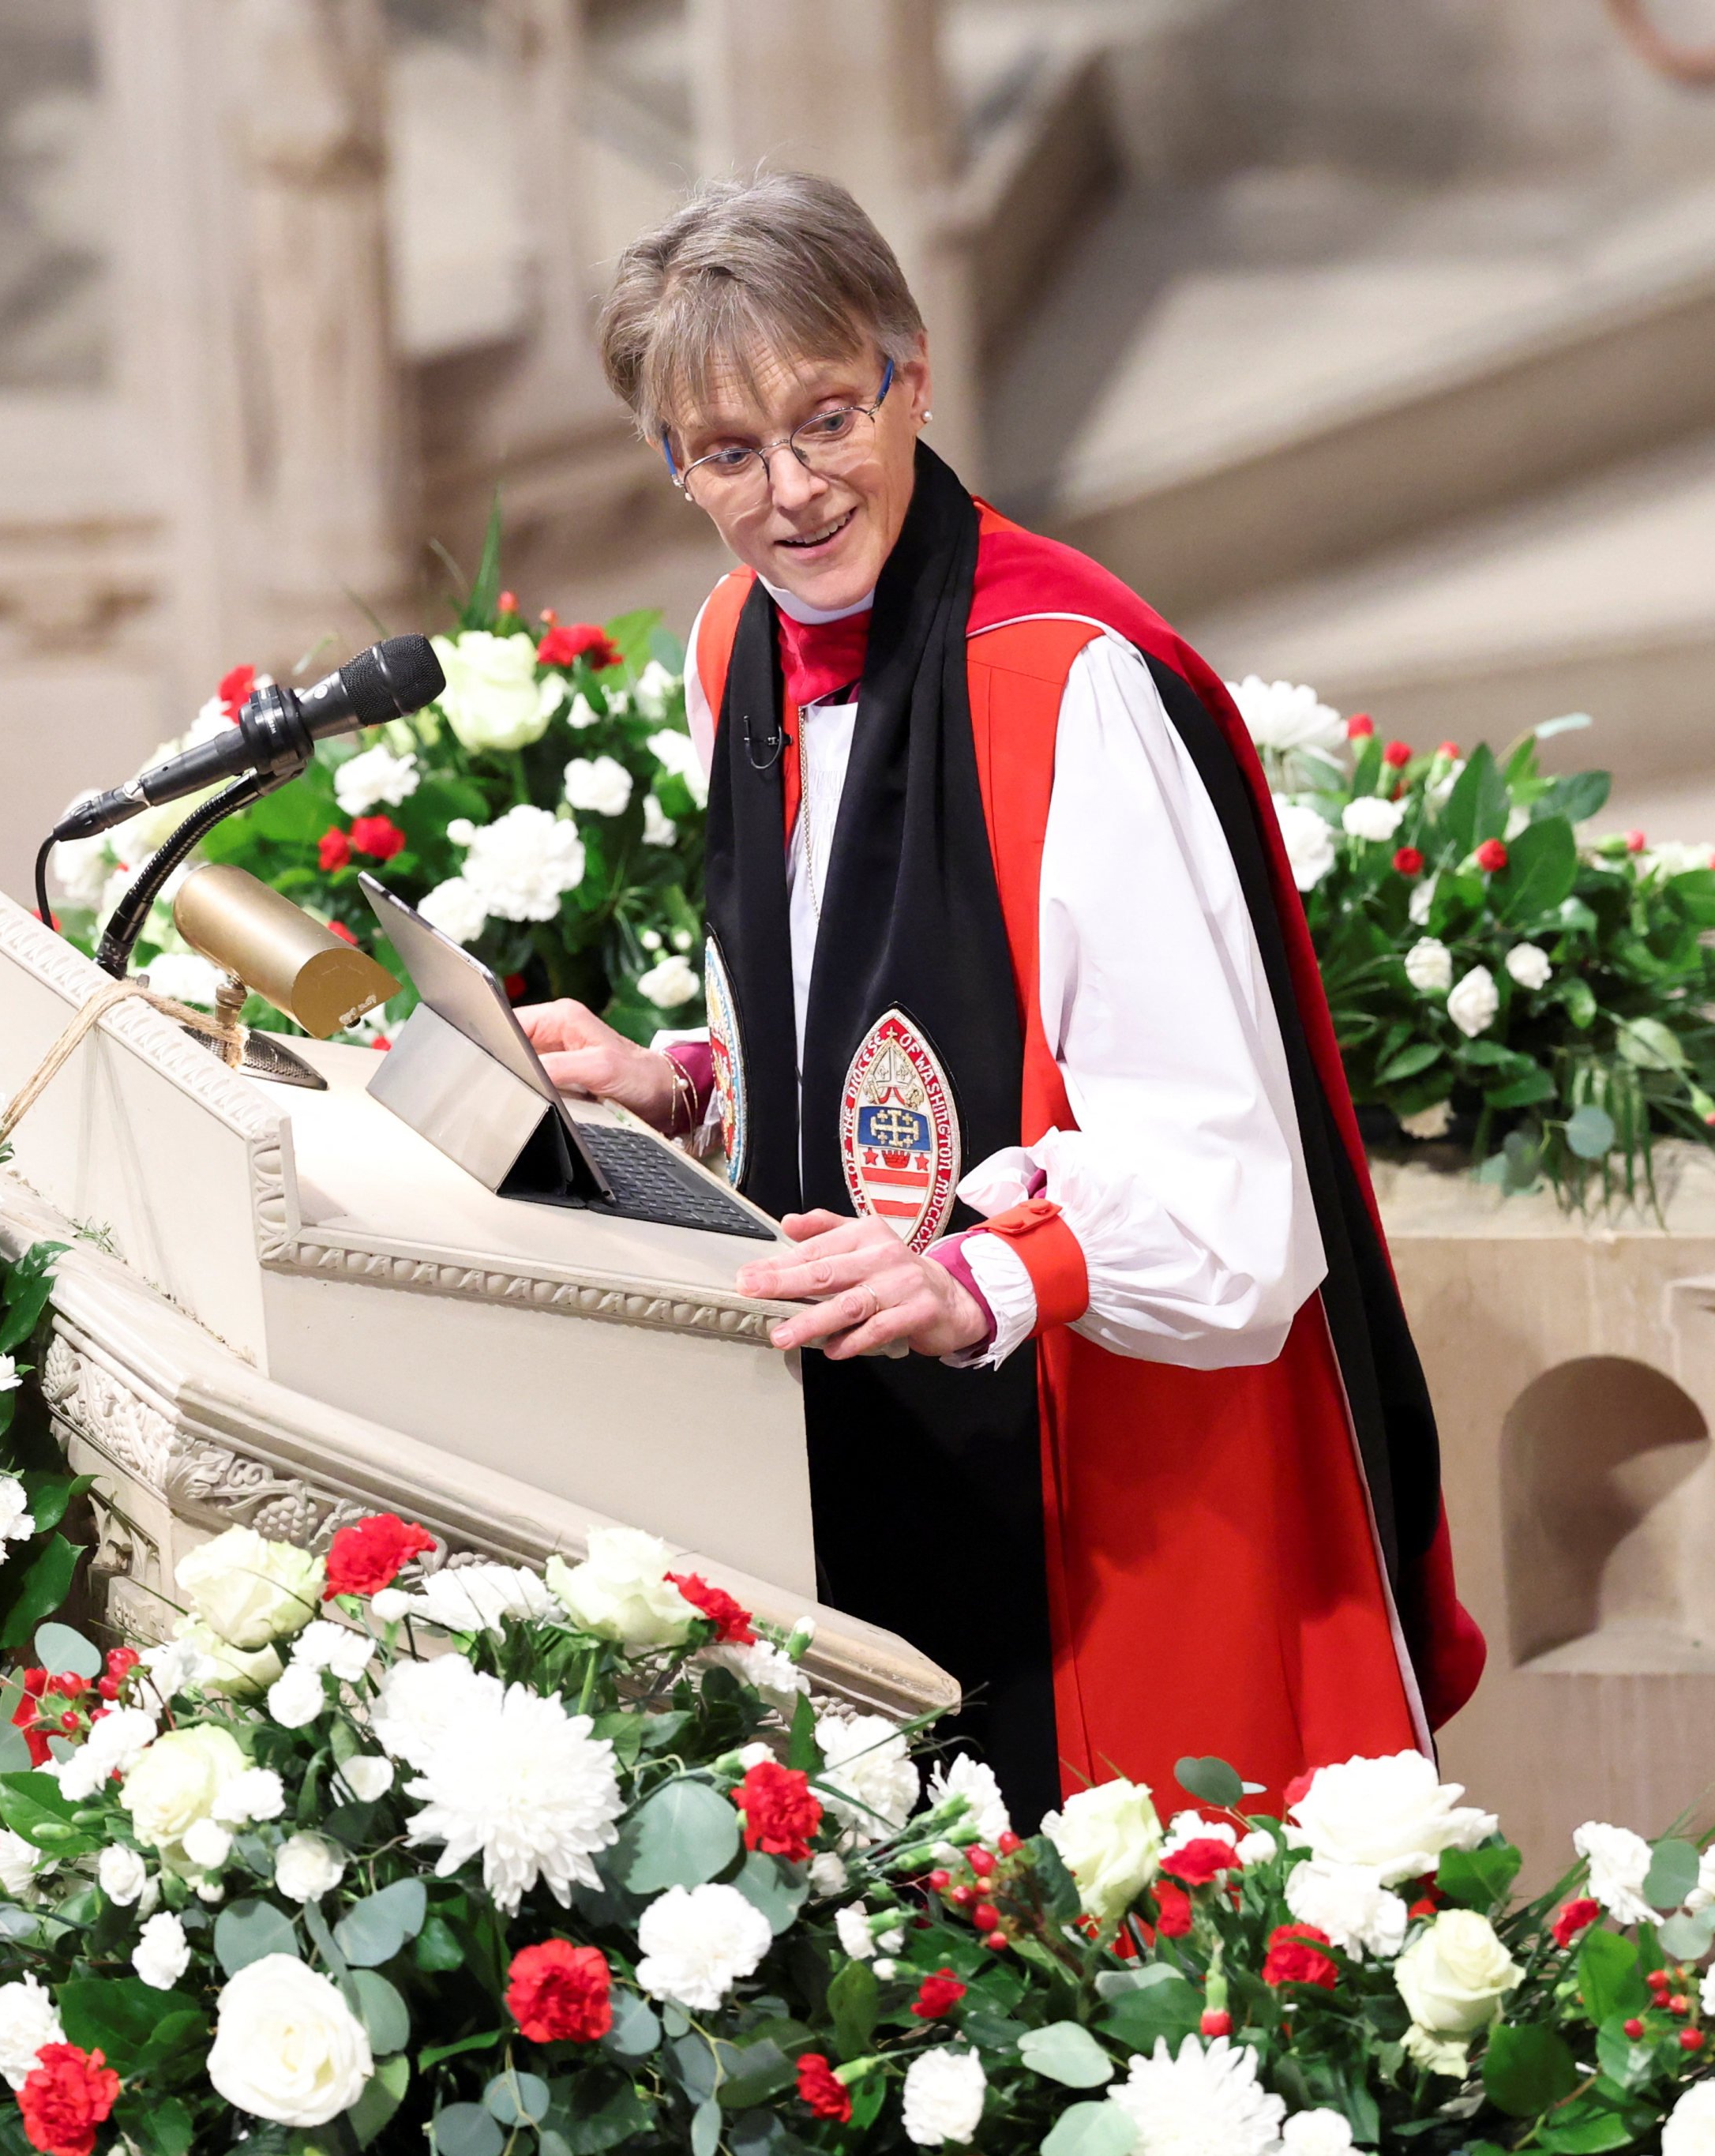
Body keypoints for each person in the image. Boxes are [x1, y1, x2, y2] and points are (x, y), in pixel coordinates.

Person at [519, 171, 1483, 1824]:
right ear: (672, 468)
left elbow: (1228, 1191)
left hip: (1085, 1470)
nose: (794, 491)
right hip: (846, 1419)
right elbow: (855, 1018)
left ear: (912, 373)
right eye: (727, 453)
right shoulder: (734, 640)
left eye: (829, 415)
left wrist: (977, 1280)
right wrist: (679, 1083)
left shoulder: (1066, 686)